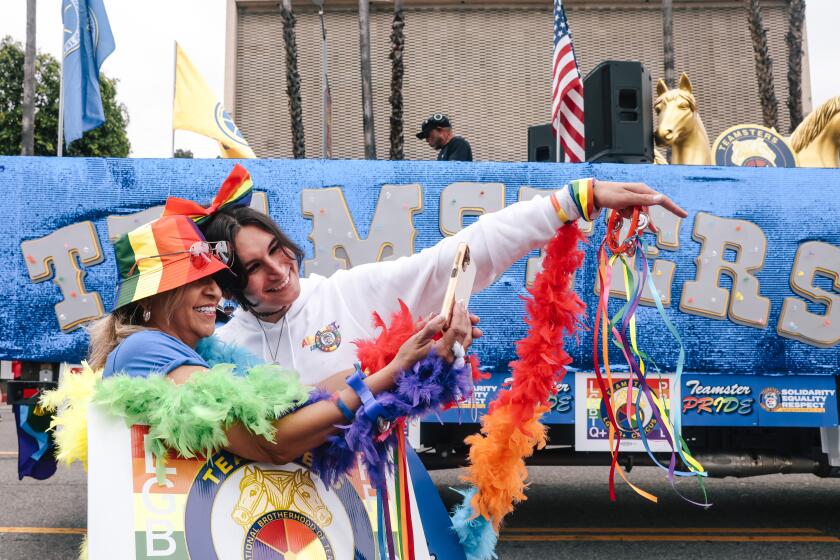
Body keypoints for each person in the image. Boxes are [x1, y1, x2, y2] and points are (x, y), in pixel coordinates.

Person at [169, 165, 687, 386]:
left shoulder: (350, 292)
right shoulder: (219, 347)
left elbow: (462, 254)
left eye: (279, 251)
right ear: (232, 283)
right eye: (254, 268)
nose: (279, 271)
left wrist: (577, 198)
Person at [88, 213, 474, 465]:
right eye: (194, 282)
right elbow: (272, 443)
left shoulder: (206, 354)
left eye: (215, 280)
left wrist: (422, 359)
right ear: (152, 301)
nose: (215, 293)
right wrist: (394, 371)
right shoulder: (144, 351)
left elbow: (303, 398)